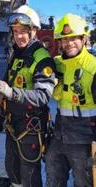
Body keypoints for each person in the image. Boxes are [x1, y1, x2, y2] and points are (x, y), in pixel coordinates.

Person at [0, 5, 56, 187]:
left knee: (29, 175)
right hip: (13, 124)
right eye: (16, 31)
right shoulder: (17, 54)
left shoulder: (41, 58)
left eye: (24, 32)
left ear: (34, 30)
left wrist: (11, 93)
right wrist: (0, 114)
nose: (19, 36)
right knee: (12, 170)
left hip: (31, 126)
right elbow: (7, 83)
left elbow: (43, 96)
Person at [45, 13, 96, 187]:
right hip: (59, 133)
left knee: (83, 182)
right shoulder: (56, 63)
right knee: (53, 177)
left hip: (85, 136)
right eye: (65, 39)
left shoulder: (93, 66)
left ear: (84, 38)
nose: (69, 43)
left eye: (74, 38)